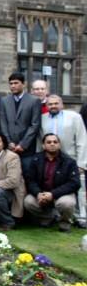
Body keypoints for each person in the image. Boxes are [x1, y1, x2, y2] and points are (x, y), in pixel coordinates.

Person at [40, 95, 87, 227]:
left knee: (80, 188)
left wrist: (82, 163)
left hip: (72, 158)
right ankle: (56, 215)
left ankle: (81, 217)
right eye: (50, 104)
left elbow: (82, 140)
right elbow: (41, 141)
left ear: (62, 104)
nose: (53, 106)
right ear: (47, 106)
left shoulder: (74, 117)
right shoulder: (42, 119)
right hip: (51, 159)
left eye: (56, 103)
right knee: (54, 187)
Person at [24, 133, 81, 232]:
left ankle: (64, 223)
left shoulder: (69, 161)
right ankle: (49, 217)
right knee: (28, 202)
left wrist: (53, 194)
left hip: (61, 194)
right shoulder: (36, 159)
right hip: (42, 193)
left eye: (55, 142)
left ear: (59, 145)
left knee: (67, 203)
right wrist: (38, 194)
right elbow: (30, 180)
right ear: (43, 145)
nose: (52, 144)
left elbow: (74, 183)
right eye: (49, 142)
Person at [0, 72, 41, 174]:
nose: (13, 86)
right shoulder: (4, 101)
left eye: (16, 83)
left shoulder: (34, 100)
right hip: (10, 147)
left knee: (27, 173)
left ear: (23, 84)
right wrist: (8, 142)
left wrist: (23, 144)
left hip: (27, 148)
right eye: (11, 83)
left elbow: (34, 124)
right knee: (9, 174)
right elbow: (3, 123)